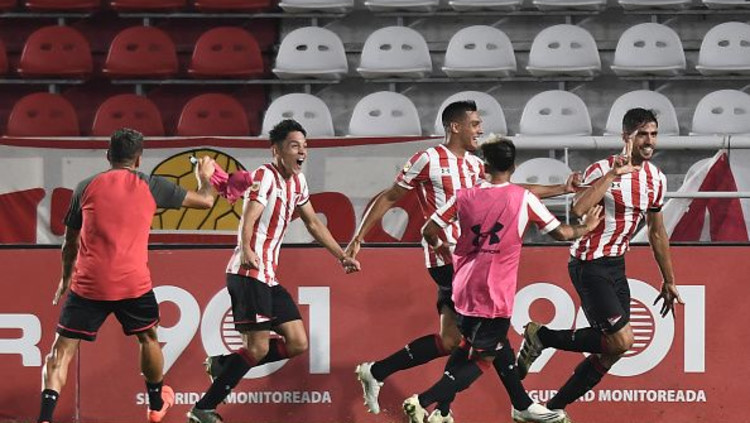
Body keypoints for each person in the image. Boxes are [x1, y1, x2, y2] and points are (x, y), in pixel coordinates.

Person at [346, 100, 579, 415]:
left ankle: (384, 376)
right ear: (455, 127)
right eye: (475, 124)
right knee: (491, 338)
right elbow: (390, 196)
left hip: (472, 262)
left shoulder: (475, 164)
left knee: (453, 341)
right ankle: (517, 405)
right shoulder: (427, 159)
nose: (480, 130)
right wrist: (359, 237)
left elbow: (508, 189)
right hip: (448, 260)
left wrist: (562, 188)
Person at [404, 136, 602, 423]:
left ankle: (510, 405)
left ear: (484, 167)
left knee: (473, 345)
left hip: (463, 286)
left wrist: (440, 246)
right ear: (514, 167)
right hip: (494, 293)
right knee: (483, 359)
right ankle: (422, 401)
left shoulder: (464, 196)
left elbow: (428, 229)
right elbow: (561, 233)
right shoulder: (523, 198)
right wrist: (587, 227)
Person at [38, 128, 217, 423]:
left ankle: (44, 418)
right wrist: (205, 177)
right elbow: (206, 201)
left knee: (61, 351)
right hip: (133, 284)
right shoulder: (151, 185)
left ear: (109, 156)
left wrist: (66, 277)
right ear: (139, 159)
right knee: (148, 339)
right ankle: (156, 405)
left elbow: (70, 241)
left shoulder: (85, 186)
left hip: (89, 284)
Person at [187, 119, 361, 423]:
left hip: (267, 277)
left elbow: (313, 222)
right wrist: (246, 249)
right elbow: (248, 217)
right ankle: (203, 407)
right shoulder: (264, 176)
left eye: (305, 146)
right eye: (295, 146)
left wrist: (341, 255)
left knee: (297, 342)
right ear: (276, 151)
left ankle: (225, 364)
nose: (302, 152)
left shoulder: (299, 182)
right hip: (248, 273)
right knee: (255, 348)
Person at [515, 108, 684, 417]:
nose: (649, 141)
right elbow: (578, 209)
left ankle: (552, 409)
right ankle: (543, 337)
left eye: (654, 134)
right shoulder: (601, 169)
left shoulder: (656, 179)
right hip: (589, 263)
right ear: (626, 137)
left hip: (616, 265)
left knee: (615, 350)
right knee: (621, 340)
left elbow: (657, 231)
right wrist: (612, 175)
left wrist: (669, 278)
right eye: (642, 135)